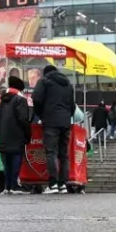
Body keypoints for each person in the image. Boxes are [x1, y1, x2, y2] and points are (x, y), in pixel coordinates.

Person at [31, 64, 76, 194]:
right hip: (65, 122)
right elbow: (72, 105)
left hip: (50, 121)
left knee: (51, 152)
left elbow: (36, 99)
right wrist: (67, 116)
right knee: (64, 154)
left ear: (45, 73)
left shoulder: (44, 81)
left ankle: (53, 184)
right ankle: (63, 184)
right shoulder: (67, 84)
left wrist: (41, 114)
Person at [0, 75, 32, 194]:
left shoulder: (3, 100)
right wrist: (28, 135)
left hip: (4, 135)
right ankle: (14, 185)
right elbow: (23, 119)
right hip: (17, 135)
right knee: (16, 160)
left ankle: (7, 186)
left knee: (7, 162)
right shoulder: (20, 100)